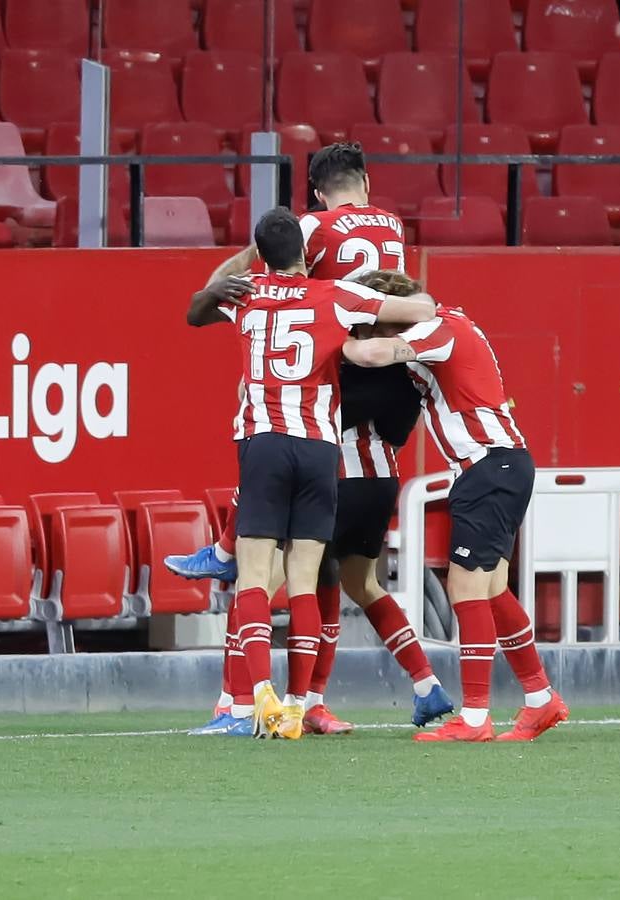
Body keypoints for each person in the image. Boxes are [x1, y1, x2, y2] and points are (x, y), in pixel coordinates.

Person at [170, 144, 454, 735]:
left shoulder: (278, 266)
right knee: (330, 576)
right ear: (366, 184)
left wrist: (228, 279)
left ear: (317, 196)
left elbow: (206, 301)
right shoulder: (388, 229)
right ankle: (312, 703)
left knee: (260, 575)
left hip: (318, 395)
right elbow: (416, 301)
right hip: (369, 408)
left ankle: (238, 702)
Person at [344, 270, 570, 743]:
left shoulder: (437, 327)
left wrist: (330, 334)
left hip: (487, 465)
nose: (368, 329)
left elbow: (372, 353)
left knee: (465, 588)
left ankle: (474, 718)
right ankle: (539, 698)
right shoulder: (448, 324)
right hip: (498, 465)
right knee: (490, 589)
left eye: (373, 318)